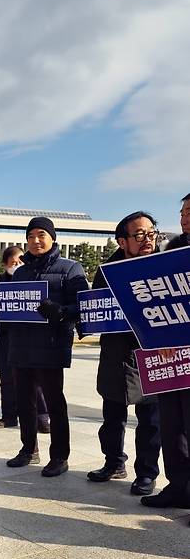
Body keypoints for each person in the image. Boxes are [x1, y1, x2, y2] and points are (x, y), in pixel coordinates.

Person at [6, 216, 89, 477]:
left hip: (51, 346)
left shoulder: (70, 268)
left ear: (53, 238)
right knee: (24, 402)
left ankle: (59, 456)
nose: (35, 241)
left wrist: (61, 312)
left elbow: (82, 305)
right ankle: (28, 449)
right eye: (30, 236)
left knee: (54, 404)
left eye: (41, 235)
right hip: (21, 345)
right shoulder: (20, 271)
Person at [87, 212, 161, 495]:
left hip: (152, 354)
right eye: (139, 234)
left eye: (152, 233)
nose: (148, 239)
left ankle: (147, 473)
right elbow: (96, 310)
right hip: (116, 353)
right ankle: (114, 462)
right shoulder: (107, 271)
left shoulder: (162, 266)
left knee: (151, 420)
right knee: (112, 416)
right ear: (122, 241)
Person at [142, 192, 190, 522]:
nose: (185, 218)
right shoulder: (171, 251)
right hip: (170, 358)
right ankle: (178, 487)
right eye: (183, 212)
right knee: (172, 425)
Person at [0, 246, 50, 431]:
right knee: (7, 381)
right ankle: (8, 416)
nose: (16, 266)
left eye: (19, 262)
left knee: (36, 381)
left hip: (28, 340)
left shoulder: (33, 282)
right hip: (5, 341)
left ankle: (42, 417)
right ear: (5, 264)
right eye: (13, 263)